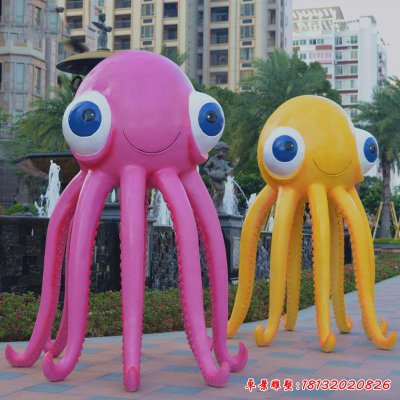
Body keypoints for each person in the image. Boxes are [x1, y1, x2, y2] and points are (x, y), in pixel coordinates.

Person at [203, 141, 233, 213]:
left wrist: (228, 171)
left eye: (225, 152)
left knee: (222, 193)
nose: (224, 154)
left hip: (221, 178)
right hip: (214, 178)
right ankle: (213, 206)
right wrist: (209, 173)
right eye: (223, 152)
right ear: (217, 150)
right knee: (219, 191)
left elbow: (227, 169)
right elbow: (206, 168)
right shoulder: (212, 160)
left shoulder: (224, 162)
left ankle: (220, 207)